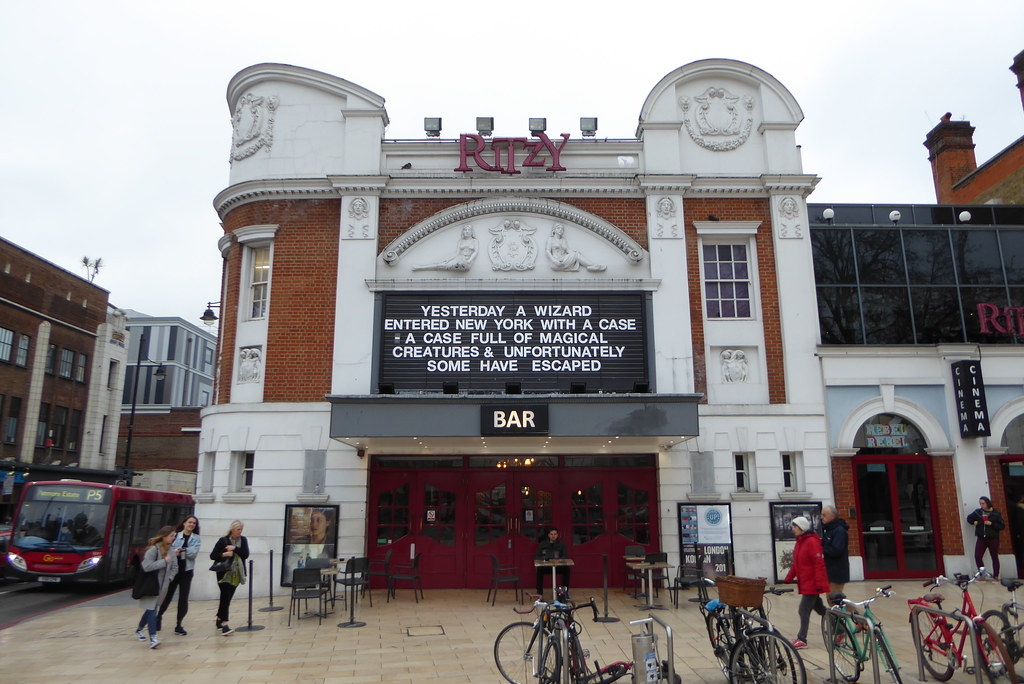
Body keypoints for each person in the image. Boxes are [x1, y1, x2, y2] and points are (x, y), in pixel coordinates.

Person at [784, 516, 829, 650]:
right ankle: (839, 628)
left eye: (795, 526)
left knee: (803, 610)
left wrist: (820, 584)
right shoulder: (800, 542)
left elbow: (819, 564)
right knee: (821, 610)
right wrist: (789, 577)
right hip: (806, 583)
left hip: (812, 584)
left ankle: (802, 638)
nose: (792, 529)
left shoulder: (811, 542)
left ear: (801, 528)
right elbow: (796, 564)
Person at [134, 525, 179, 650]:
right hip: (151, 585)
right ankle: (153, 638)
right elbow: (146, 566)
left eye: (174, 536)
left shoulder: (171, 551)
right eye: (171, 536)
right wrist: (164, 562)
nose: (173, 538)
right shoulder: (153, 550)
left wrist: (169, 578)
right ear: (164, 536)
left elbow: (175, 567)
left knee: (151, 609)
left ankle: (138, 630)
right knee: (152, 610)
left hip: (163, 587)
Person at [156, 515, 200, 636]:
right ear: (184, 523)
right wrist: (178, 551)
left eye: (194, 523)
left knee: (183, 598)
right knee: (167, 595)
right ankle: (159, 616)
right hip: (174, 570)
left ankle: (179, 624)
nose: (191, 525)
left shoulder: (196, 538)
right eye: (189, 522)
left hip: (187, 571)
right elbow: (168, 549)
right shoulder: (176, 536)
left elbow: (193, 553)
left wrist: (180, 550)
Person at [210, 520, 249, 635]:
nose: (240, 532)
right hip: (224, 573)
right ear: (232, 529)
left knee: (227, 598)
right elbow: (212, 555)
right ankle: (225, 624)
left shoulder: (243, 540)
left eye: (241, 529)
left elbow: (245, 555)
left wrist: (235, 548)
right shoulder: (223, 540)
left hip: (237, 574)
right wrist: (224, 554)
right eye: (238, 529)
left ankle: (219, 618)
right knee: (225, 596)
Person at [967, 496, 1005, 579]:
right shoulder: (978, 512)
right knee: (978, 556)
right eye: (980, 503)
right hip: (981, 537)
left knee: (994, 556)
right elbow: (969, 518)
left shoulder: (995, 514)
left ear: (987, 503)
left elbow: (1002, 526)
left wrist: (991, 524)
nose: (981, 505)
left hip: (992, 538)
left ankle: (996, 575)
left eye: (983, 503)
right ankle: (982, 574)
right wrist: (973, 522)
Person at [820, 505, 850, 594]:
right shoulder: (829, 530)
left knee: (835, 598)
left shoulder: (839, 531)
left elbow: (836, 550)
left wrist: (821, 549)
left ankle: (854, 608)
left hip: (837, 571)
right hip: (830, 570)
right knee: (832, 598)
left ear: (832, 516)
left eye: (824, 515)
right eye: (821, 515)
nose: (821, 517)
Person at [534, 527, 570, 595]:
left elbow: (565, 556)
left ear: (557, 535)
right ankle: (539, 594)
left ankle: (564, 593)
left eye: (555, 534)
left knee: (567, 569)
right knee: (539, 570)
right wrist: (545, 559)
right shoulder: (543, 544)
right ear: (548, 535)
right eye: (551, 534)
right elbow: (537, 556)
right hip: (547, 567)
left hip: (558, 566)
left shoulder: (561, 544)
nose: (553, 536)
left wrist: (559, 560)